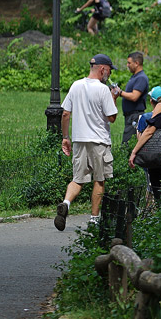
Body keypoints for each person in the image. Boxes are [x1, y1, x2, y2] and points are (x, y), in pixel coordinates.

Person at [54, 54, 119, 230]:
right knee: (99, 180)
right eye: (109, 71)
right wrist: (114, 98)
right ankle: (94, 219)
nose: (109, 75)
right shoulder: (103, 89)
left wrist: (65, 137)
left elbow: (65, 113)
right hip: (99, 141)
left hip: (79, 140)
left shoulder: (76, 85)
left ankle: (66, 203)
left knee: (78, 179)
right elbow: (112, 117)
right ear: (102, 69)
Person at [115, 51, 150, 144]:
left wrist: (120, 92)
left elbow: (134, 96)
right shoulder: (135, 77)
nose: (127, 65)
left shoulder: (141, 78)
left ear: (137, 63)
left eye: (129, 63)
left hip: (135, 116)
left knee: (127, 143)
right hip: (130, 116)